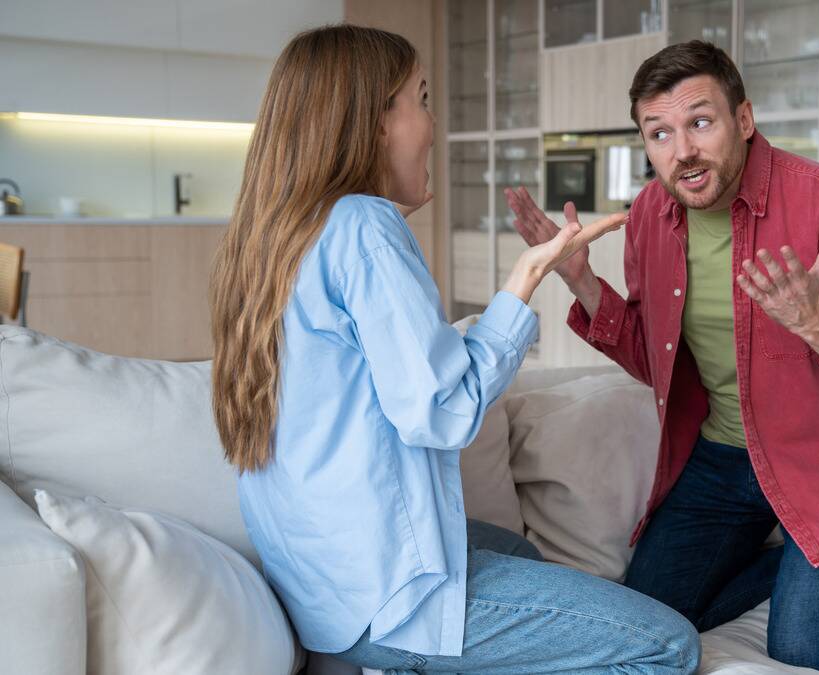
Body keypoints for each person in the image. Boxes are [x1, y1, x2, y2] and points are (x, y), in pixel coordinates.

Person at [210, 25, 700, 674]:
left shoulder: (273, 238)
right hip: (387, 600)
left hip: (323, 594)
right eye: (420, 97)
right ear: (375, 121)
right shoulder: (363, 225)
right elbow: (441, 412)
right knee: (670, 645)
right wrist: (523, 280)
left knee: (518, 557)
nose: (435, 122)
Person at [506, 40, 819, 672]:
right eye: (660, 133)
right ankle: (787, 558)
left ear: (745, 120)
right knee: (644, 622)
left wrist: (816, 326)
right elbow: (662, 365)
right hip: (720, 461)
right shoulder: (651, 214)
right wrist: (583, 283)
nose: (683, 152)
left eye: (700, 122)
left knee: (809, 649)